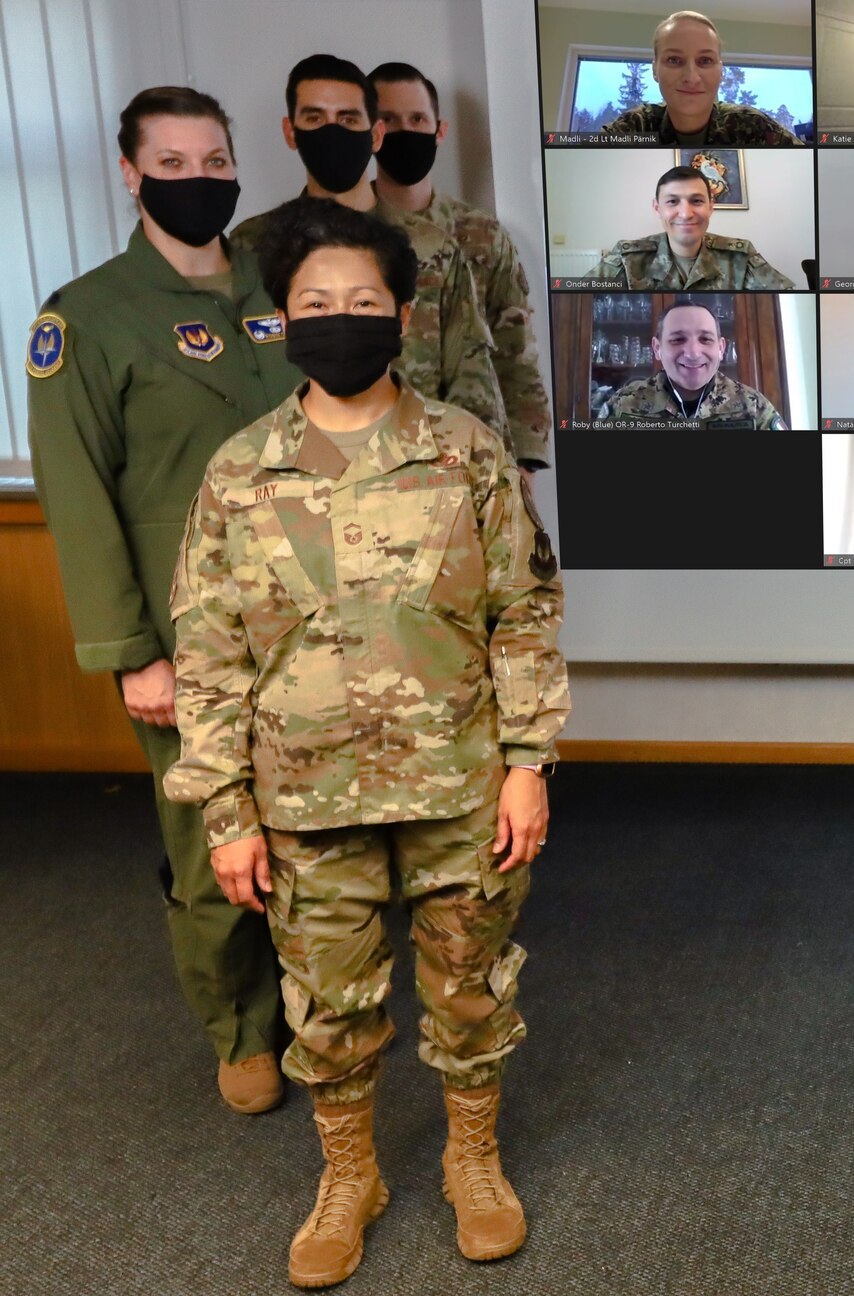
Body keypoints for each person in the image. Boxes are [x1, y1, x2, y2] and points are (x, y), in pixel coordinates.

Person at [166, 197, 568, 1288]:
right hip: (303, 800)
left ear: (400, 313)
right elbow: (205, 654)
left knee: (469, 989)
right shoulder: (240, 471)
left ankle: (471, 1162)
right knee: (331, 1009)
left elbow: (523, 613)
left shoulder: (465, 451)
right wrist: (226, 814)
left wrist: (529, 763)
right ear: (282, 318)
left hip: (459, 786)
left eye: (361, 302)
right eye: (315, 303)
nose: (339, 318)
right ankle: (351, 1177)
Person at [26, 86, 295, 1119]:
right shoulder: (84, 317)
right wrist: (132, 652)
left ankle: (320, 1005)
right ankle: (240, 1029)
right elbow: (78, 495)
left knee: (314, 823)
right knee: (211, 839)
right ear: (130, 174)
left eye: (213, 160)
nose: (198, 180)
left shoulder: (281, 286)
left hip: (310, 615)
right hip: (186, 634)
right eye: (172, 165)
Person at [234, 55, 509, 457]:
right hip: (294, 481)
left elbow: (472, 380)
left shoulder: (432, 246)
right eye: (314, 118)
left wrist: (481, 474)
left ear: (376, 134)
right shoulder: (251, 245)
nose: (331, 131)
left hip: (420, 472)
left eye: (347, 119)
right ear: (290, 131)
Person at [369, 61, 553, 471]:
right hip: (377, 462)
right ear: (372, 131)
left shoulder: (482, 234)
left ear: (440, 130)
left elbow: (517, 354)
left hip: (476, 459)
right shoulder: (347, 235)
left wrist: (525, 462)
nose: (405, 131)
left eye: (417, 119)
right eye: (389, 120)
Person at [598, 12, 803, 144]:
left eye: (705, 61)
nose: (691, 77)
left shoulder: (754, 127)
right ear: (655, 70)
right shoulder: (633, 129)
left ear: (720, 71)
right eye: (674, 60)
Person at [589, 165, 795, 290]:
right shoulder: (628, 259)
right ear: (657, 208)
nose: (686, 214)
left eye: (696, 201)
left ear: (711, 206)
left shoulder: (740, 256)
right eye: (672, 202)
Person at [598, 300, 787, 428]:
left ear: (721, 348)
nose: (693, 353)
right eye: (678, 339)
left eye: (705, 339)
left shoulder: (753, 405)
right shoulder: (623, 404)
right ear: (657, 348)